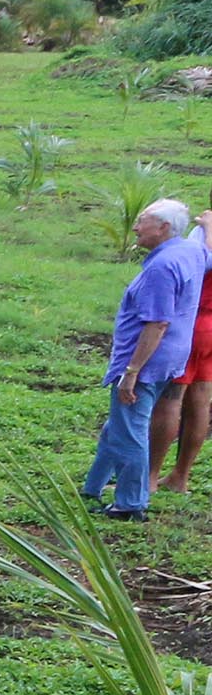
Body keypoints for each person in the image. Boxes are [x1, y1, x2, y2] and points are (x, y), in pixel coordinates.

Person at [84, 198, 210, 520]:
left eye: (143, 222)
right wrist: (208, 229)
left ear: (164, 228)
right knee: (119, 425)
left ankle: (130, 504)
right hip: (173, 357)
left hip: (149, 361)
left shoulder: (162, 267)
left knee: (130, 430)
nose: (136, 227)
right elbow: (208, 255)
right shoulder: (190, 251)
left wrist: (131, 371)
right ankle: (93, 486)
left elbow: (157, 323)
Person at [155, 213, 212, 495]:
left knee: (171, 398)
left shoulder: (205, 231)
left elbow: (204, 262)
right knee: (200, 399)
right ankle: (180, 476)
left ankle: (150, 477)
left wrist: (209, 229)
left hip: (196, 320)